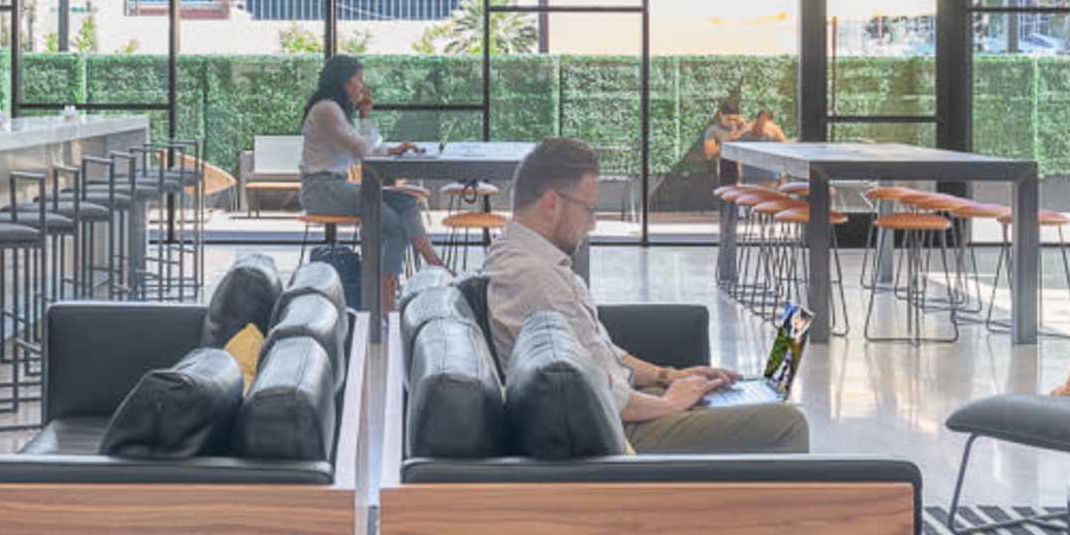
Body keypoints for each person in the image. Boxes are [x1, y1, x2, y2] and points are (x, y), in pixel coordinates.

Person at [479, 136, 809, 454]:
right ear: (552, 203)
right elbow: (597, 395)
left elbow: (603, 351)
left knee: (741, 395)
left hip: (628, 405)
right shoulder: (531, 277)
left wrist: (669, 375)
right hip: (622, 431)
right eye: (589, 209)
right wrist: (668, 403)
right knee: (787, 424)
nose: (592, 224)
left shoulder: (538, 261)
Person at [299, 52, 447, 278]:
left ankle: (433, 263)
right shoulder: (327, 109)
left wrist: (392, 150)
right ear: (344, 81)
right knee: (394, 227)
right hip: (322, 191)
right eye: (359, 79)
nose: (363, 86)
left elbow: (365, 147)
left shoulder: (335, 110)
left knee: (406, 202)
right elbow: (363, 151)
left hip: (335, 187)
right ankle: (383, 294)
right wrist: (366, 115)